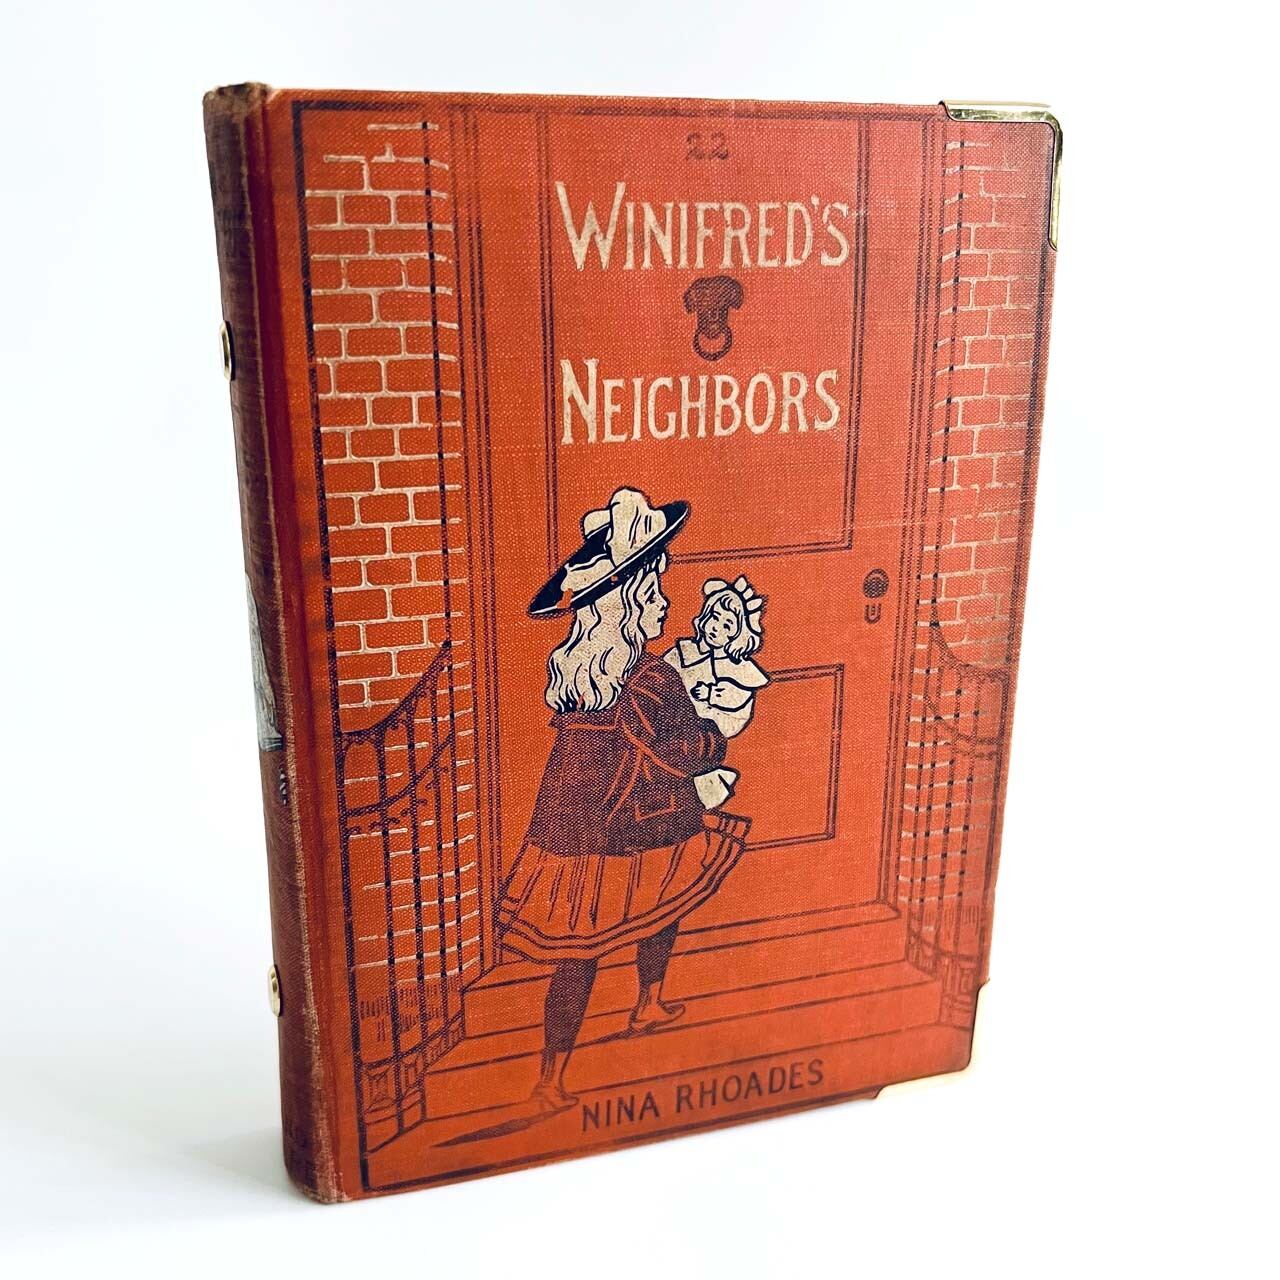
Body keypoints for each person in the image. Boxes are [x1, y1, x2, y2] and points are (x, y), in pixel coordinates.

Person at [500, 488, 747, 1112]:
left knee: (616, 927)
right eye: (654, 590)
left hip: (587, 820)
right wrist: (715, 736)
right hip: (632, 817)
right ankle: (573, 1059)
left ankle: (616, 1026)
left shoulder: (585, 670)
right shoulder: (646, 678)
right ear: (629, 604)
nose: (664, 602)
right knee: (640, 913)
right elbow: (685, 749)